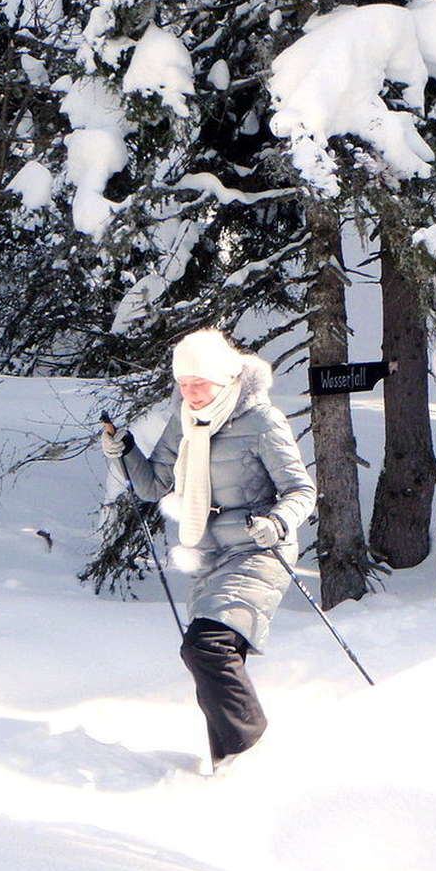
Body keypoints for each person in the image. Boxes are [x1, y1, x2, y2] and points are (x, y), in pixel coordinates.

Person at [100, 329, 316, 771]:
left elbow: (301, 490)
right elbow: (153, 485)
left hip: (260, 548)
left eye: (199, 383)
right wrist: (122, 451)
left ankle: (250, 747)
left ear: (223, 379)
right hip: (213, 550)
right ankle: (228, 764)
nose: (190, 393)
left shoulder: (260, 419)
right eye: (183, 383)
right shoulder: (184, 420)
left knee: (207, 646)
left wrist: (276, 521)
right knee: (210, 655)